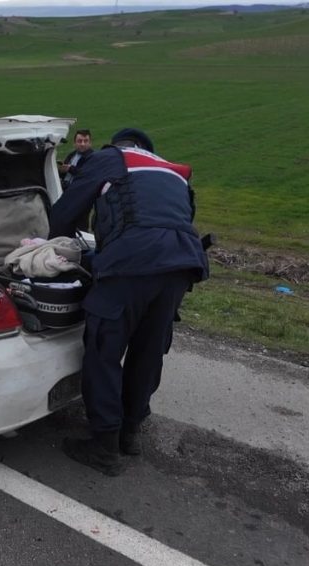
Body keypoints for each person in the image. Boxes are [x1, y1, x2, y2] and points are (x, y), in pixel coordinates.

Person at [48, 128, 209, 476]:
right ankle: (130, 432)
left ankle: (104, 445)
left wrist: (45, 249)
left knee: (104, 347)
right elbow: (179, 219)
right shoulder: (171, 170)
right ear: (148, 149)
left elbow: (66, 212)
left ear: (116, 144)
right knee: (149, 347)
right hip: (182, 264)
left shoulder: (108, 159)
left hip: (131, 263)